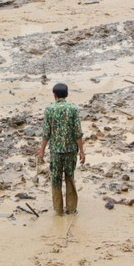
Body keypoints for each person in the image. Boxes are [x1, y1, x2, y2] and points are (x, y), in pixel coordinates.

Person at [36, 82, 84, 214]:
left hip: (56, 152)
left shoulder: (49, 110)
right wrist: (82, 151)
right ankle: (71, 208)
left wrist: (41, 151)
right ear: (67, 95)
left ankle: (58, 210)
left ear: (54, 95)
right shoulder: (73, 110)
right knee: (70, 177)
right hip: (70, 151)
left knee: (56, 180)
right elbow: (78, 132)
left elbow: (46, 133)